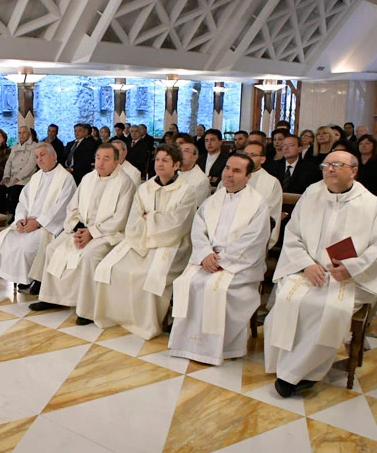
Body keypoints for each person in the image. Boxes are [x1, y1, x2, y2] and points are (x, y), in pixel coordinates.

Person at [264, 151, 377, 397]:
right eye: (326, 165)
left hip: (346, 277)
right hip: (308, 269)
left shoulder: (371, 204)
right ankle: (283, 364)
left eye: (337, 165)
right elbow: (292, 233)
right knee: (287, 299)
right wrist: (306, 264)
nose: (330, 169)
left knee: (330, 308)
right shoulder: (312, 194)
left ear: (354, 171)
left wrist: (351, 267)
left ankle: (304, 373)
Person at [169, 154, 271, 365]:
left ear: (248, 176)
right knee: (188, 282)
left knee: (216, 288)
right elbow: (198, 230)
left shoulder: (258, 204)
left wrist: (221, 260)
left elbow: (252, 242)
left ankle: (220, 347)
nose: (229, 174)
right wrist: (205, 254)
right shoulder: (213, 199)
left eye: (236, 171)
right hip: (207, 259)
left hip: (239, 267)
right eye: (227, 168)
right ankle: (187, 343)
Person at [92, 144, 196, 339]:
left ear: (176, 165)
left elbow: (178, 224)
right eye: (157, 159)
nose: (160, 164)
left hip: (171, 245)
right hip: (139, 241)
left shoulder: (186, 191)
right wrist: (155, 220)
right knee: (111, 268)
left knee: (150, 274)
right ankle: (116, 316)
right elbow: (134, 219)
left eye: (165, 160)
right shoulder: (144, 188)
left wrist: (151, 217)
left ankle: (145, 323)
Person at [29, 144, 136, 318]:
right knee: (52, 249)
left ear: (117, 161)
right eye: (98, 158)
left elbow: (120, 219)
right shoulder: (88, 178)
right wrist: (77, 228)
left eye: (106, 159)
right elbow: (73, 207)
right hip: (81, 229)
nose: (100, 163)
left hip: (107, 234)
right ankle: (52, 297)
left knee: (88, 256)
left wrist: (91, 233)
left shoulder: (125, 183)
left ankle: (86, 308)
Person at [0, 143, 76, 294]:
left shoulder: (66, 179)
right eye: (36, 157)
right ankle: (21, 277)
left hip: (47, 226)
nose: (39, 159)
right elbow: (23, 201)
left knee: (26, 247)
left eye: (42, 155)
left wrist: (38, 223)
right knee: (2, 241)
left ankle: (34, 279)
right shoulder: (36, 177)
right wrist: (21, 218)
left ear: (53, 156)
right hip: (28, 221)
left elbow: (62, 207)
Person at [236, 140, 283, 250]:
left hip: (254, 240)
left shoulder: (271, 182)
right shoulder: (229, 177)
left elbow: (271, 217)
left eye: (253, 155)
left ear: (262, 159)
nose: (247, 158)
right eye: (245, 155)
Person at [0, 125, 38, 214]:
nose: (21, 135)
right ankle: (0, 214)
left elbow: (31, 165)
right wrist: (6, 176)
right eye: (19, 133)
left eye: (24, 133)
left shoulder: (35, 146)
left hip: (26, 178)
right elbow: (9, 162)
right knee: (1, 187)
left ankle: (15, 215)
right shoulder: (15, 146)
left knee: (15, 190)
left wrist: (19, 177)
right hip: (12, 176)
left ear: (29, 134)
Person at [175, 136, 211, 208]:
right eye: (180, 151)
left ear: (195, 157)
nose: (181, 154)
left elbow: (193, 208)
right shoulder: (172, 173)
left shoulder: (202, 180)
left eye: (186, 151)